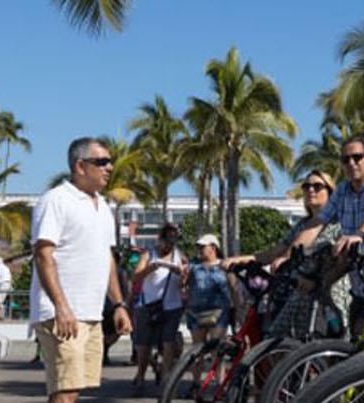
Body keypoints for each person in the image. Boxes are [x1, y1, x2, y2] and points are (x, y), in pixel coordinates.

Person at [29, 137, 133, 403]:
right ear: (80, 166)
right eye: (102, 162)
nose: (109, 168)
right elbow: (43, 255)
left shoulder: (103, 208)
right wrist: (61, 307)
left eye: (110, 162)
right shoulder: (56, 200)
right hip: (61, 313)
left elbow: (106, 259)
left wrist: (119, 304)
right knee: (64, 391)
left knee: (73, 390)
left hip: (91, 313)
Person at [288, 136, 364, 340]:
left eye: (357, 157)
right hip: (362, 281)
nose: (351, 163)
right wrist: (291, 253)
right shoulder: (342, 191)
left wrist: (358, 235)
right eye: (346, 159)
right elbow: (318, 222)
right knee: (355, 344)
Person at [226, 170, 346, 338]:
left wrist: (320, 280)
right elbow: (276, 251)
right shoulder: (301, 225)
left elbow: (341, 259)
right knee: (276, 341)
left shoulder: (339, 223)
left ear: (330, 192)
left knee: (325, 347)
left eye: (317, 186)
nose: (311, 190)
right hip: (298, 294)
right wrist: (242, 259)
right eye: (306, 186)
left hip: (328, 295)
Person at [131, 223, 187, 390]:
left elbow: (184, 283)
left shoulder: (180, 256)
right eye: (167, 239)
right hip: (147, 305)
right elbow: (135, 277)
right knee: (143, 345)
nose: (169, 244)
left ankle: (165, 379)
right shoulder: (149, 254)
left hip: (172, 306)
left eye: (173, 240)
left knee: (168, 343)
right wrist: (150, 268)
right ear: (160, 238)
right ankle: (141, 376)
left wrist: (183, 276)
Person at [186, 234, 240, 344]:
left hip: (219, 313)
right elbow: (183, 285)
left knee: (215, 346)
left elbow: (234, 288)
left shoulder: (225, 265)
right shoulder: (193, 266)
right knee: (197, 349)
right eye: (199, 247)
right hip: (196, 312)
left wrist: (237, 310)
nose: (200, 250)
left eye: (203, 247)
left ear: (213, 248)